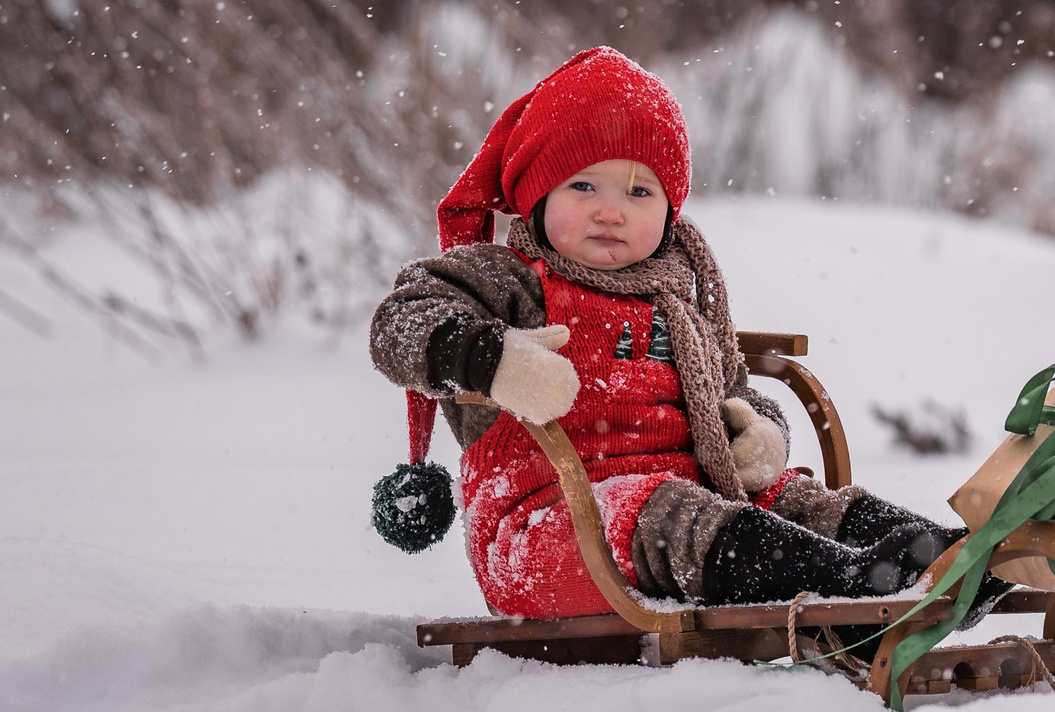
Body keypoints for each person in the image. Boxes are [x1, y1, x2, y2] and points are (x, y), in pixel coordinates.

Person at [370, 46, 954, 617]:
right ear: (536, 195)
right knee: (665, 514)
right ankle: (848, 583)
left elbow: (732, 391)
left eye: (639, 191)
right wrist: (494, 360)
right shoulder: (509, 279)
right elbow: (398, 324)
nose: (611, 211)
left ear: (670, 211)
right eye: (583, 186)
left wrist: (757, 430)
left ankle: (936, 558)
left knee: (789, 499)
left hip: (685, 505)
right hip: (545, 530)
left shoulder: (676, 299)